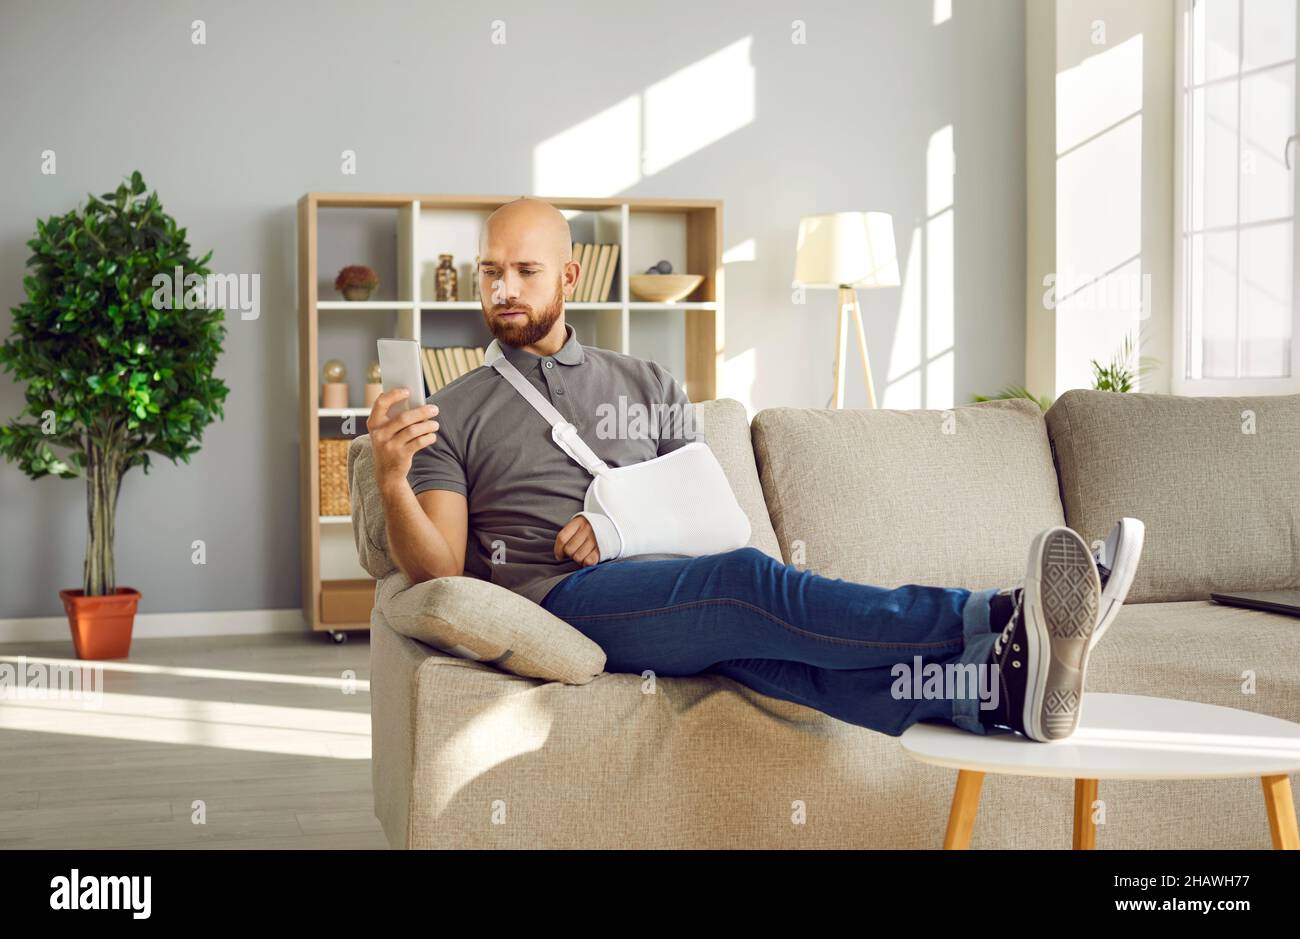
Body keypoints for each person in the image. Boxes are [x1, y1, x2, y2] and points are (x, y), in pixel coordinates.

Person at [369, 196, 1146, 743]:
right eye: (489, 271)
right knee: (742, 581)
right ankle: (998, 615)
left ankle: (998, 694)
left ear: (570, 279)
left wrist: (615, 526)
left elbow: (711, 508)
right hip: (565, 597)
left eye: (525, 271)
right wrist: (392, 477)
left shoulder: (646, 381)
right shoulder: (449, 410)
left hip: (669, 578)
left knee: (781, 658)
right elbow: (440, 569)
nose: (503, 289)